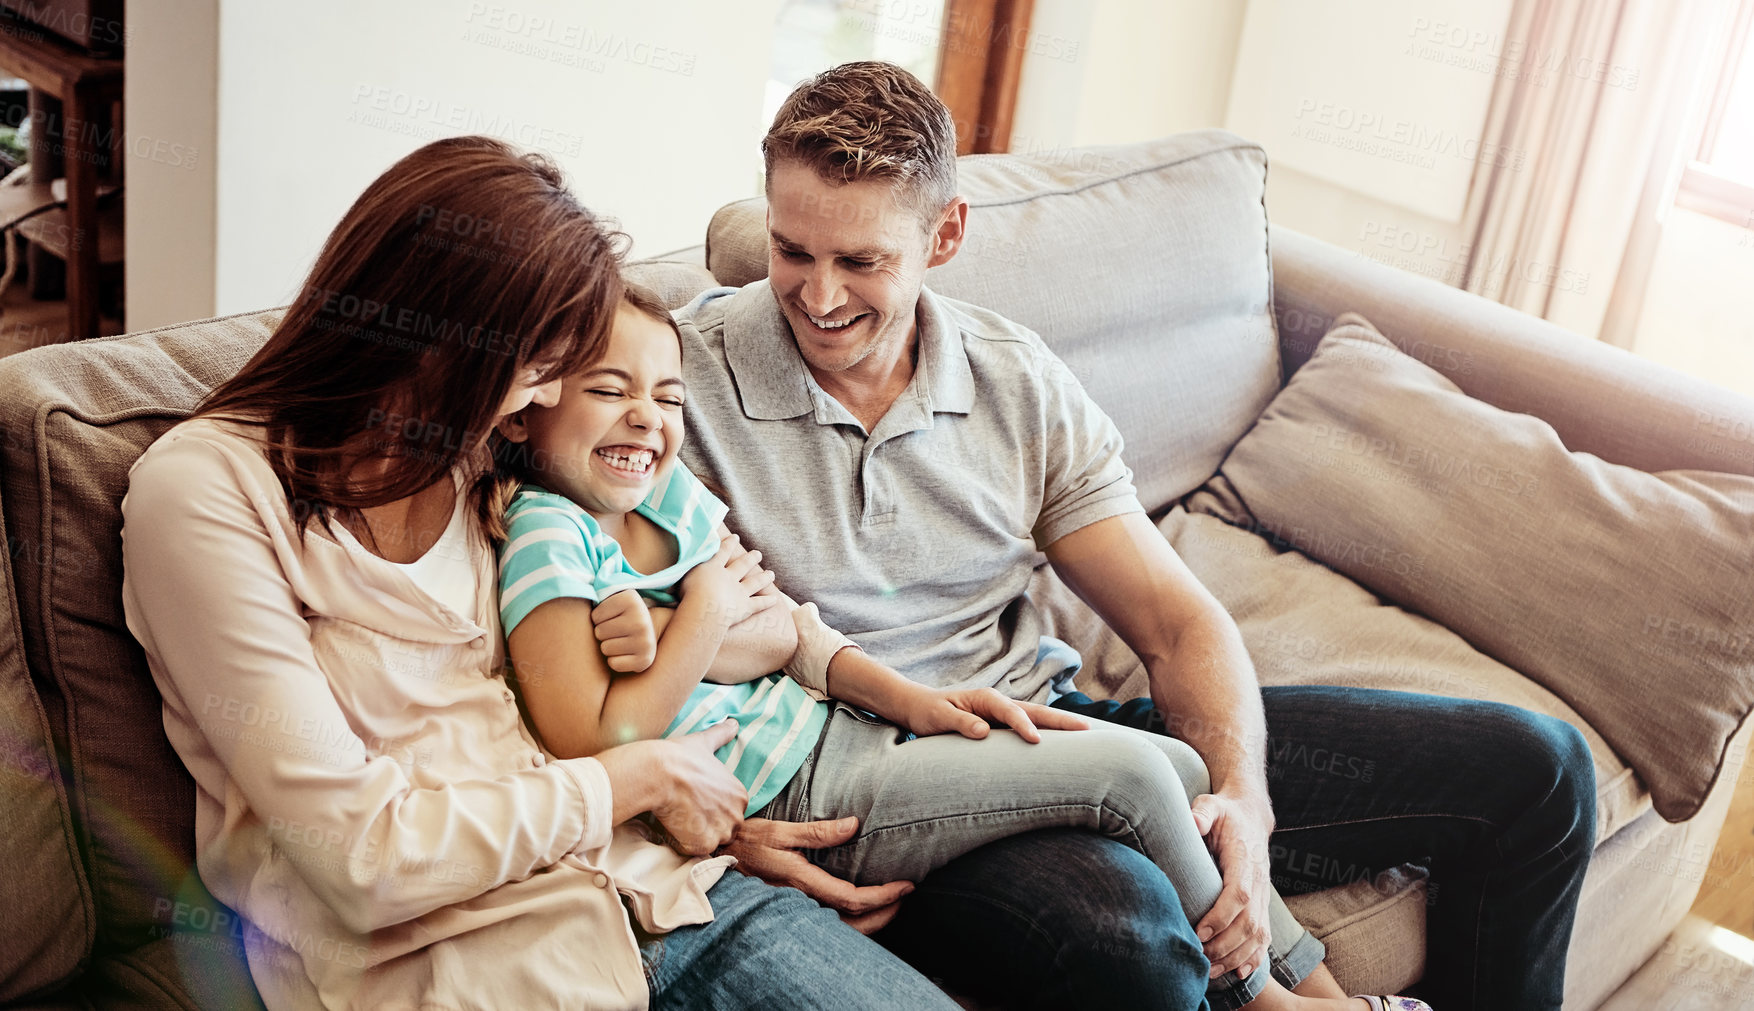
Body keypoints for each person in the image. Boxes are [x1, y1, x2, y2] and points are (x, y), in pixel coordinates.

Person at [668, 61, 1598, 1011]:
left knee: (1539, 774)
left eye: (862, 262)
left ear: (945, 234)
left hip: (1052, 728)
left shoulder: (1012, 381)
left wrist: (1244, 797)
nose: (819, 297)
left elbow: (1174, 624)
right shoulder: (671, 386)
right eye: (792, 251)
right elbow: (573, 662)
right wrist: (715, 827)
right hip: (886, 798)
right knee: (1133, 949)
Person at [119, 136, 969, 1011]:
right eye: (533, 365)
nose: (539, 398)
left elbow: (725, 607)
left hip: (666, 886)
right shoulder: (206, 492)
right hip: (460, 962)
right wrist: (641, 778)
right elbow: (361, 857)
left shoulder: (489, 454)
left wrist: (713, 817)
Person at [493, 285, 1408, 1011]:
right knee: (1130, 777)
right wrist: (699, 614)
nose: (647, 419)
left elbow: (789, 631)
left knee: (1177, 759)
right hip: (803, 789)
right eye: (609, 390)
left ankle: (1319, 987)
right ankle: (1273, 1004)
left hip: (852, 729)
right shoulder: (547, 533)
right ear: (525, 409)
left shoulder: (666, 497)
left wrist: (912, 701)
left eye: (667, 396)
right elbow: (597, 745)